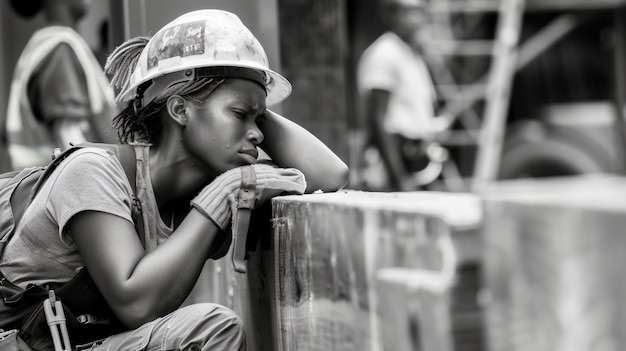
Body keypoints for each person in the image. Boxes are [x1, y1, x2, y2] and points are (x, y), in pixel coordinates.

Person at [0, 9, 349, 351]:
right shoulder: (92, 171)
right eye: (240, 114)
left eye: (259, 121)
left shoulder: (194, 189)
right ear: (180, 110)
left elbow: (329, 175)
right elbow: (135, 304)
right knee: (211, 330)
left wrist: (249, 97)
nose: (257, 134)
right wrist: (223, 194)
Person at [3, 0, 118, 171]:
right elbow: (70, 140)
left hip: (42, 188)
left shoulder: (45, 46)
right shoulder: (59, 48)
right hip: (70, 189)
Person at [357, 0, 452, 191]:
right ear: (391, 16)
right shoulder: (384, 54)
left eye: (420, 13)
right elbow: (378, 119)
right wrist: (400, 178)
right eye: (409, 13)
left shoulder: (411, 53)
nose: (417, 20)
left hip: (417, 161)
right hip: (395, 165)